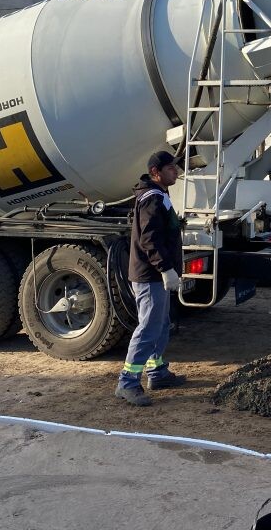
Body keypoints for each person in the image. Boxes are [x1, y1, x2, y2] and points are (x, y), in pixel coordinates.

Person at [115, 150, 187, 407]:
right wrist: (165, 268)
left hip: (153, 275)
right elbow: (149, 239)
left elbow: (158, 231)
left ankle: (156, 372)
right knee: (148, 328)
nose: (176, 172)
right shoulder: (151, 199)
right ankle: (127, 382)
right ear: (156, 172)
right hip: (150, 276)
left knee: (160, 324)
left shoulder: (157, 195)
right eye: (170, 169)